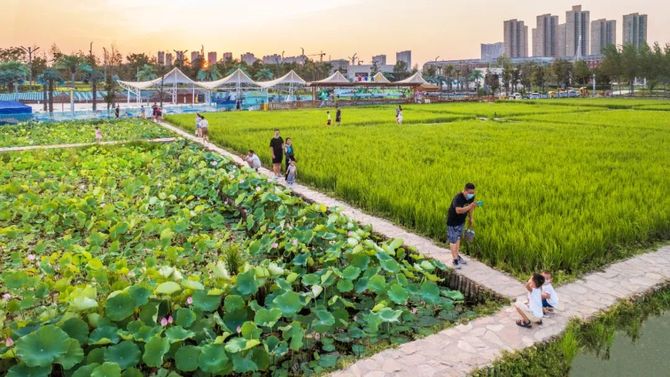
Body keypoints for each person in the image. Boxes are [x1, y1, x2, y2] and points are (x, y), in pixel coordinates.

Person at [446, 183, 478, 269]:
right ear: (465, 191)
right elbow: (458, 210)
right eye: (470, 192)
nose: (472, 194)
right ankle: (455, 259)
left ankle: (457, 256)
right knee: (453, 240)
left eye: (473, 193)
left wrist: (471, 218)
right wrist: (470, 206)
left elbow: (471, 208)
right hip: (452, 221)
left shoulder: (471, 198)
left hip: (461, 221)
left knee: (458, 238)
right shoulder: (458, 198)